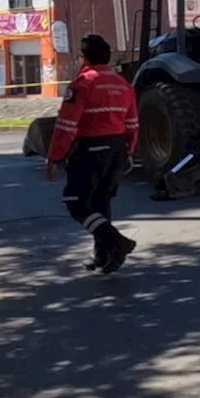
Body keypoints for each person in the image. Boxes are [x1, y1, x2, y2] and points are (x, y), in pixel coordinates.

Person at [45, 35, 139, 275]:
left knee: (75, 202)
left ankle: (116, 242)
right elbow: (132, 123)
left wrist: (55, 157)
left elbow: (66, 125)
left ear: (84, 57)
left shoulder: (83, 83)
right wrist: (128, 152)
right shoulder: (123, 84)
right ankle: (103, 255)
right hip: (117, 149)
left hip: (90, 148)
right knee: (100, 200)